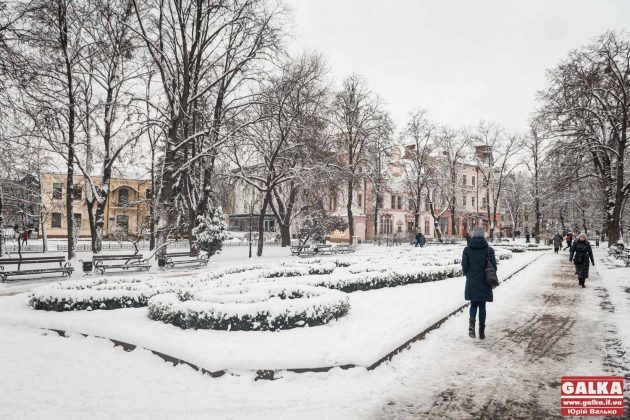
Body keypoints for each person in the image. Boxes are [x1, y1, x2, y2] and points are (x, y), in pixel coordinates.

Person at [462, 227, 497, 340]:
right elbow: (494, 267)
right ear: (483, 236)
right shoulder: (489, 250)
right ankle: (481, 331)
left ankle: (471, 326)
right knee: (482, 305)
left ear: (472, 236)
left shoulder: (467, 250)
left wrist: (469, 274)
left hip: (472, 280)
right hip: (485, 281)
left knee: (473, 304)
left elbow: (464, 267)